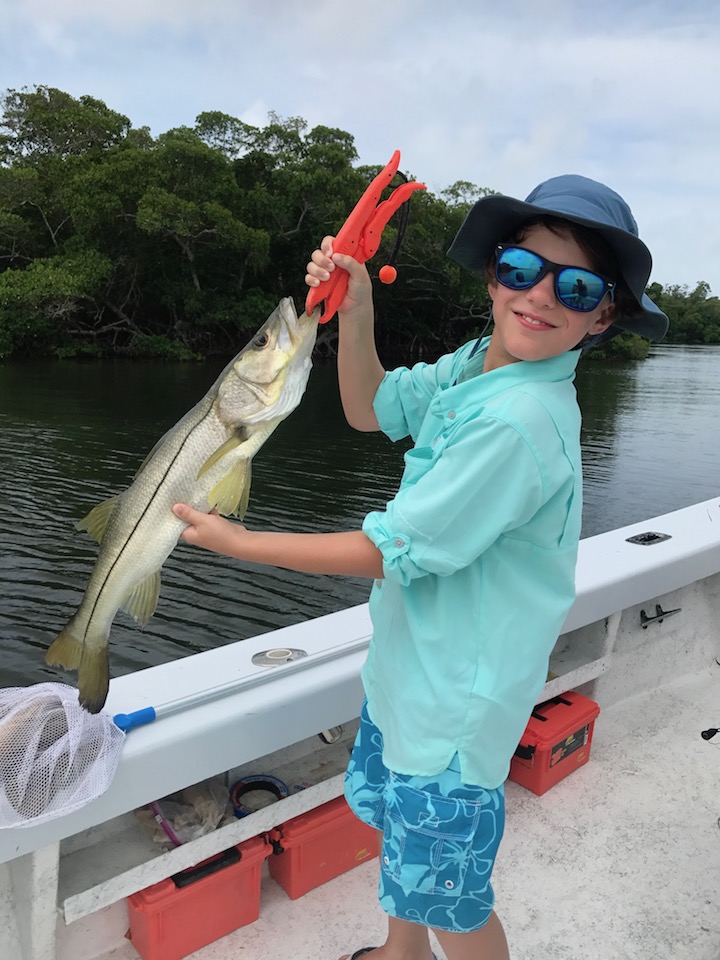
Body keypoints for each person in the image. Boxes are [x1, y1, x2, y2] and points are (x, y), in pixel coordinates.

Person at [172, 174, 668, 960]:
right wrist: (358, 300)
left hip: (453, 709)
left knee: (452, 902)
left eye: (574, 287)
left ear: (602, 316)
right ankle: (400, 956)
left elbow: (386, 550)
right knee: (409, 852)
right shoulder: (481, 364)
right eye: (520, 270)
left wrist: (241, 543)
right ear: (493, 275)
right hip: (413, 671)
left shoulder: (520, 421)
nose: (540, 296)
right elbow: (369, 408)